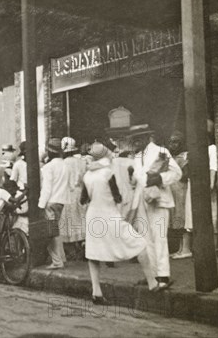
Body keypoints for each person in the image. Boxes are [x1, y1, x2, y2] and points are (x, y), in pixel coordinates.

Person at [82, 143, 158, 304]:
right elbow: (117, 198)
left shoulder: (87, 175)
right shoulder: (108, 173)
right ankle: (152, 282)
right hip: (109, 215)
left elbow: (83, 200)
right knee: (139, 243)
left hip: (93, 216)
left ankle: (96, 292)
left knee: (94, 254)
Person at [128, 126, 181, 290]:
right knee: (144, 238)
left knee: (159, 237)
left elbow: (177, 173)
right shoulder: (136, 157)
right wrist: (131, 178)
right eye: (134, 138)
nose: (136, 141)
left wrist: (160, 178)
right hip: (141, 200)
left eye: (140, 137)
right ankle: (151, 276)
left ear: (148, 137)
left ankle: (163, 276)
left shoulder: (161, 152)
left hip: (158, 199)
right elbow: (135, 181)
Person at [38, 138, 70, 270]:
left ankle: (57, 261)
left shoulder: (48, 167)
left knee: (50, 232)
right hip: (61, 201)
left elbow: (47, 188)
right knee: (55, 231)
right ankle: (61, 258)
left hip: (50, 201)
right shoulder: (65, 165)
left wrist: (41, 205)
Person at [59, 137, 87, 260]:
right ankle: (83, 245)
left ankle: (73, 249)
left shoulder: (62, 164)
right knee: (81, 220)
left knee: (69, 221)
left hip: (68, 193)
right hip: (80, 192)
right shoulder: (81, 162)